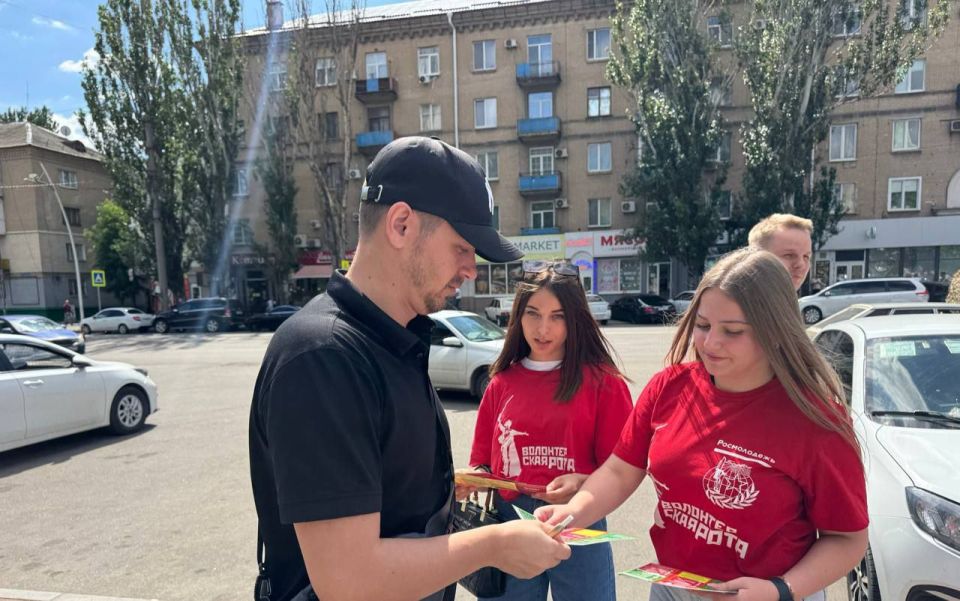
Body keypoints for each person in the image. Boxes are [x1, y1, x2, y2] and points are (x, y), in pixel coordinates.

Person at [249, 137, 570, 601]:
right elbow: (349, 582)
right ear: (401, 224)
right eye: (463, 247)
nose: (470, 270)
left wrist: (437, 486)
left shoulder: (392, 336)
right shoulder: (324, 356)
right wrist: (493, 545)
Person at [537, 247, 868, 601]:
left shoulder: (815, 418)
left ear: (776, 331)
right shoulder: (669, 386)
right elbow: (620, 471)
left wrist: (781, 589)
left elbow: (848, 540)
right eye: (703, 325)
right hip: (673, 586)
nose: (711, 343)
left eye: (733, 331)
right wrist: (572, 513)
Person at [468, 261, 632, 601]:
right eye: (533, 313)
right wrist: (472, 477)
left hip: (579, 521)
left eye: (558, 316)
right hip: (510, 520)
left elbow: (622, 469)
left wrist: (583, 482)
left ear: (576, 319)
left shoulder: (604, 383)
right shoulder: (501, 383)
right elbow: (482, 462)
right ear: (518, 315)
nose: (544, 328)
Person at [748, 214, 813, 291]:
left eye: (806, 256)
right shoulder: (736, 300)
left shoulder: (786, 301)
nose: (801, 265)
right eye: (789, 255)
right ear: (756, 258)